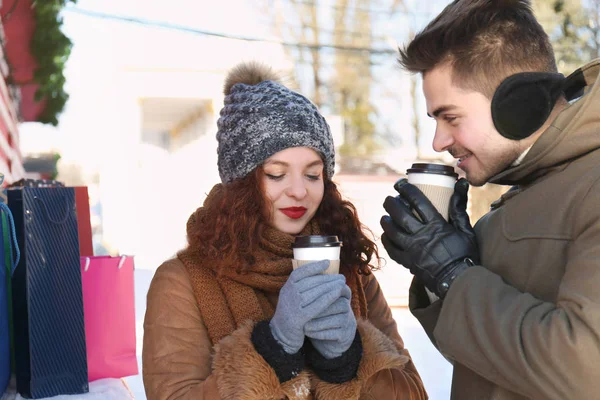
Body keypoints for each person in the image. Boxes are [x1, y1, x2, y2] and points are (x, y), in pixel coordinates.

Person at [142, 61, 428, 400]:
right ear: (241, 184)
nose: (299, 191)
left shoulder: (350, 271)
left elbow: (413, 394)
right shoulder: (182, 282)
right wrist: (272, 349)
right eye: (277, 174)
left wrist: (348, 359)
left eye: (312, 174)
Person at [380, 0, 600, 399]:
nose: (439, 141)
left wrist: (455, 274)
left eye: (451, 117)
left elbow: (587, 371)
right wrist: (437, 277)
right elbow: (486, 363)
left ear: (517, 102)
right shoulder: (506, 207)